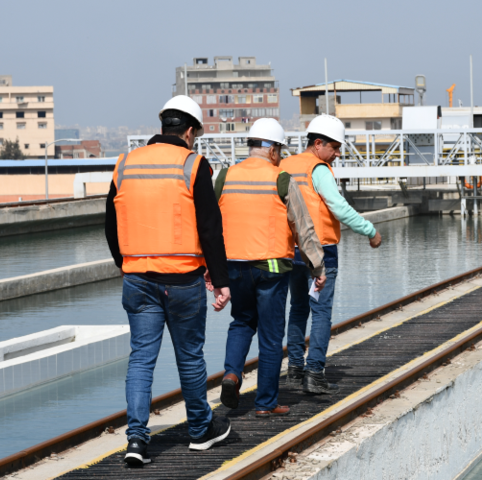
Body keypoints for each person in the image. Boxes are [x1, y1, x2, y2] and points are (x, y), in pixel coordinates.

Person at [104, 95, 232, 466]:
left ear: (163, 126)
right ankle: (199, 430)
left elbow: (110, 224)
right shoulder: (193, 164)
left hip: (137, 278)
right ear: (190, 131)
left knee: (141, 359)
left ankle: (136, 440)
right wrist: (220, 278)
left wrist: (125, 262)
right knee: (189, 357)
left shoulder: (125, 164)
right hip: (182, 278)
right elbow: (210, 228)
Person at [215, 118, 326, 417]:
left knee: (241, 321)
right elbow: (304, 228)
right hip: (272, 268)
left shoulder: (225, 176)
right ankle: (265, 403)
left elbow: (209, 225)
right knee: (270, 334)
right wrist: (318, 267)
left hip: (234, 266)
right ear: (274, 150)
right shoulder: (282, 179)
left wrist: (209, 270)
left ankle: (231, 375)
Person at [281, 114, 382, 395]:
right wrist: (370, 230)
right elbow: (338, 207)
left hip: (292, 249)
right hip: (321, 250)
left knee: (298, 308)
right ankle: (315, 373)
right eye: (334, 148)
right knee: (321, 311)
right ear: (318, 144)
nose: (337, 154)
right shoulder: (319, 169)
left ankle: (295, 370)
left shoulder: (284, 166)